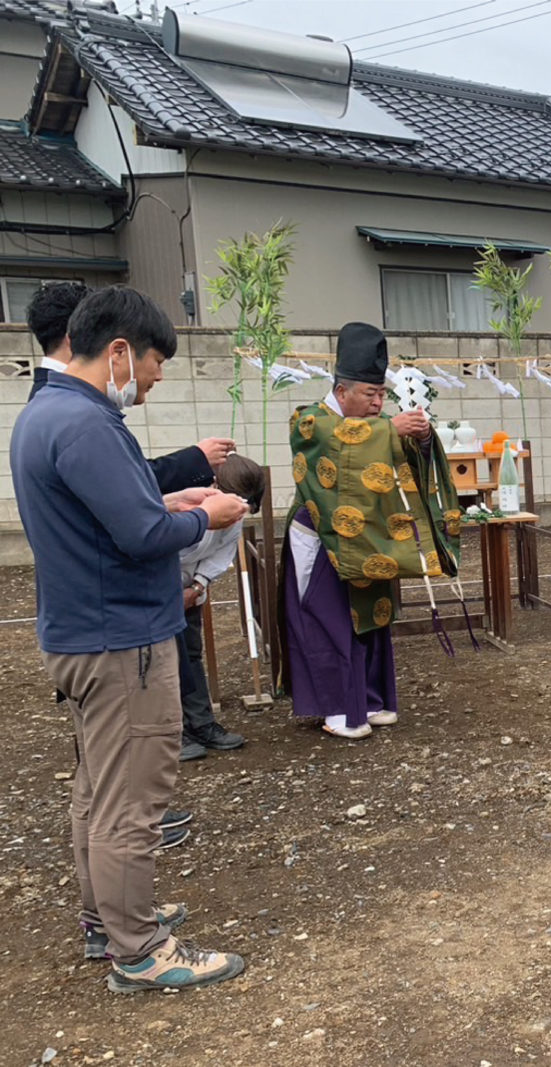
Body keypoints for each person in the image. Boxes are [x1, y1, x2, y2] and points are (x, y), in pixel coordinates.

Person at [10, 285, 250, 991]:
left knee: (96, 793)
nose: (155, 376)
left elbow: (117, 510)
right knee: (131, 802)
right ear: (118, 351)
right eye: (152, 360)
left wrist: (165, 498)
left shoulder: (46, 414)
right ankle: (139, 949)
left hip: (83, 631)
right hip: (121, 643)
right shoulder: (85, 422)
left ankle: (106, 918)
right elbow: (141, 533)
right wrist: (210, 514)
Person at [278, 322, 460, 740]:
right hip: (319, 536)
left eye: (383, 395)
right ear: (342, 392)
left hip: (369, 537)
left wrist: (421, 437)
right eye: (370, 395)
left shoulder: (373, 424)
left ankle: (374, 700)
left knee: (374, 616)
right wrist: (390, 432)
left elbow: (392, 453)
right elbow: (337, 440)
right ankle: (342, 710)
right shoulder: (309, 420)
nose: (379, 403)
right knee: (328, 618)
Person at [25, 281, 232, 487]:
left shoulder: (49, 400)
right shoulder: (74, 410)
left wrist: (174, 504)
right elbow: (125, 484)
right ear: (77, 335)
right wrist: (200, 514)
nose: (159, 376)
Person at [176, 453, 267, 761]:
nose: (239, 516)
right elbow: (160, 545)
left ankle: (201, 724)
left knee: (190, 655)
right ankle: (172, 732)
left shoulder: (233, 515)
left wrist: (197, 586)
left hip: (190, 591)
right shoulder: (185, 505)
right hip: (159, 590)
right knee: (162, 664)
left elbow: (221, 554)